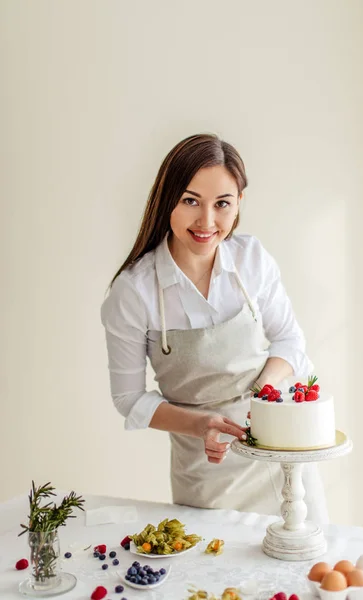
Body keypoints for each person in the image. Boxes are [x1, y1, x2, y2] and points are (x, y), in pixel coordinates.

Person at [101, 133, 328, 522]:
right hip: (205, 471)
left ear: (239, 203)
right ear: (166, 199)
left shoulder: (252, 260)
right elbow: (128, 398)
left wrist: (264, 390)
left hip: (282, 460)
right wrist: (200, 424)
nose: (207, 222)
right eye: (190, 201)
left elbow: (290, 340)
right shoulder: (134, 291)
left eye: (222, 204)